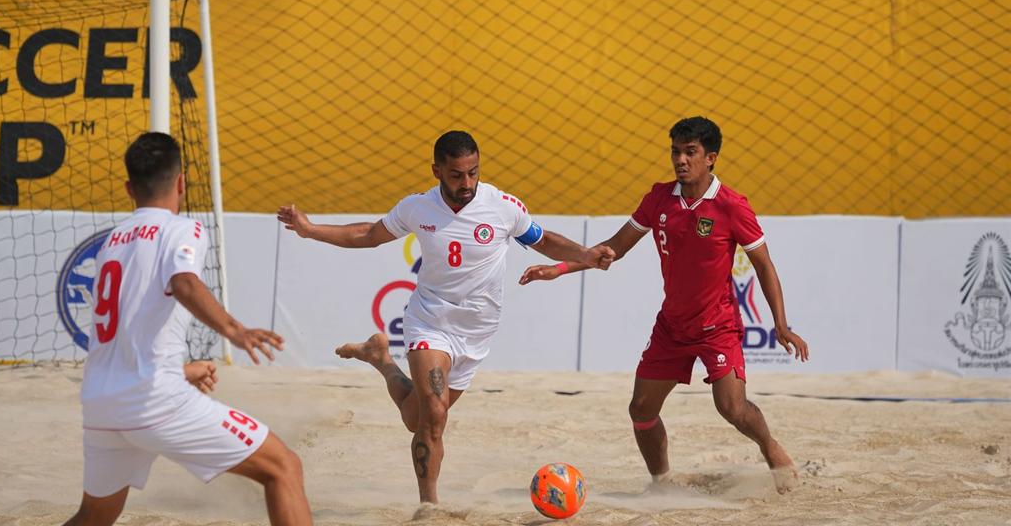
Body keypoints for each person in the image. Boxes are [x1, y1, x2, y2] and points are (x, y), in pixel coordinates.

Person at [10, 133, 384, 526]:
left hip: (102, 402)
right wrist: (235, 329)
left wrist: (183, 368)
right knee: (284, 467)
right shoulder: (181, 230)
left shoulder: (110, 246)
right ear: (181, 183)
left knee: (92, 517)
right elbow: (185, 283)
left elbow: (121, 332)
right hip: (153, 401)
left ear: (128, 188)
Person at [277, 130, 614, 505]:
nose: (467, 183)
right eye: (457, 175)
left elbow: (543, 240)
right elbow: (369, 234)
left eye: (473, 173)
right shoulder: (417, 208)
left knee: (416, 418)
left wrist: (584, 254)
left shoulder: (502, 206)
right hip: (430, 320)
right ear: (437, 170)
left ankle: (381, 359)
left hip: (477, 330)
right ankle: (429, 506)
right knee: (434, 416)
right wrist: (309, 230)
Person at [520, 116, 809, 494]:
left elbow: (764, 265)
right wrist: (560, 268)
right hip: (672, 326)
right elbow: (614, 249)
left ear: (711, 159)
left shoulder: (732, 206)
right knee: (640, 409)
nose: (681, 160)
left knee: (731, 408)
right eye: (676, 152)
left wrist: (781, 324)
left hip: (717, 325)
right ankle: (661, 482)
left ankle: (770, 447)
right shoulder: (659, 197)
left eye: (690, 152)